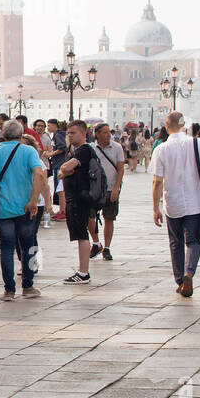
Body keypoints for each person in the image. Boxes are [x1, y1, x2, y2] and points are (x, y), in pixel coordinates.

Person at [150, 111, 200, 298]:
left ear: (166, 127)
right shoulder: (197, 143)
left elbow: (157, 181)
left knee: (175, 242)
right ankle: (189, 273)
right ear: (183, 126)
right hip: (195, 202)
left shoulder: (161, 149)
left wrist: (155, 208)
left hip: (172, 203)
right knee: (192, 241)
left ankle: (180, 281)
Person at [0, 120, 45, 300]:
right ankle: (28, 286)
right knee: (28, 246)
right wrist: (34, 200)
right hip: (25, 207)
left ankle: (9, 290)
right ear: (21, 135)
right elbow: (38, 174)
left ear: (3, 135)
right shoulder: (29, 151)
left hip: (3, 208)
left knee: (6, 248)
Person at [56, 120, 96, 285]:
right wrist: (64, 170)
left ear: (82, 133)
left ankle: (83, 272)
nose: (69, 136)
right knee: (79, 233)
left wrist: (65, 170)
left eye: (73, 133)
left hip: (80, 198)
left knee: (81, 234)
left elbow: (65, 169)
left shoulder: (84, 150)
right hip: (75, 197)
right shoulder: (75, 151)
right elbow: (62, 171)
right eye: (68, 133)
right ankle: (82, 270)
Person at [86, 122, 125, 261]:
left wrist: (116, 188)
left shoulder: (117, 148)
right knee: (90, 218)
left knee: (109, 217)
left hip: (110, 188)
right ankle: (96, 243)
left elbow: (121, 169)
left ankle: (107, 247)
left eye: (109, 132)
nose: (108, 135)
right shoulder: (90, 148)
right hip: (94, 189)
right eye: (105, 132)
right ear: (97, 134)